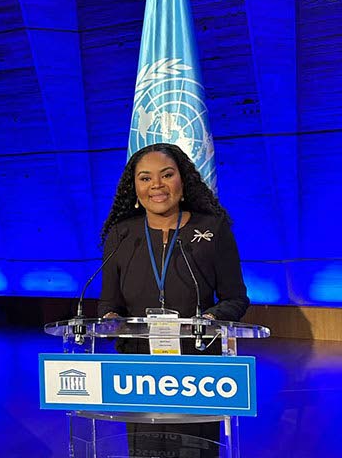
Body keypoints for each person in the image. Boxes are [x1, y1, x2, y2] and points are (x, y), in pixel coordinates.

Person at [97, 143, 249, 458]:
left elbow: (236, 298)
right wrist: (111, 319)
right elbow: (109, 303)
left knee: (195, 450)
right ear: (134, 187)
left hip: (197, 369)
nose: (156, 185)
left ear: (183, 180)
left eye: (167, 175)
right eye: (145, 178)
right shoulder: (121, 235)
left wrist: (209, 321)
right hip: (140, 372)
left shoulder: (211, 228)